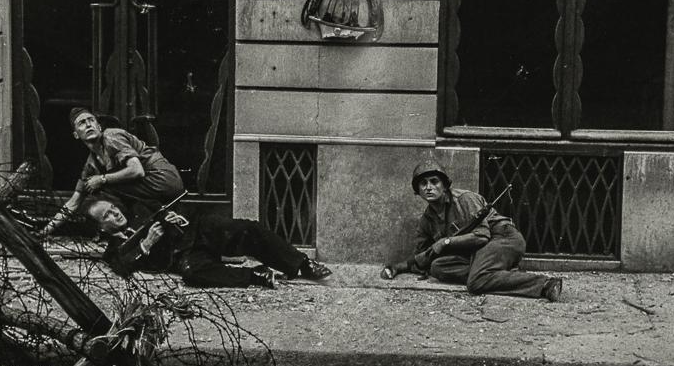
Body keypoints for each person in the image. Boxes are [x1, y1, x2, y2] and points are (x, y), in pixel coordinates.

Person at [381, 161, 563, 302]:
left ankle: (545, 285)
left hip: (502, 238)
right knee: (438, 267)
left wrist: (446, 242)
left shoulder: (464, 199)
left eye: (434, 182)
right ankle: (500, 273)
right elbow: (423, 255)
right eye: (423, 184)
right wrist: (397, 267)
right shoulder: (427, 220)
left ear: (444, 186)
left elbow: (482, 236)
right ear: (418, 191)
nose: (428, 187)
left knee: (476, 283)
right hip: (476, 253)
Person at [85, 197, 333, 290]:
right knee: (192, 273)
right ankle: (256, 275)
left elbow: (177, 207)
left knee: (247, 229)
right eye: (107, 215)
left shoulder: (140, 209)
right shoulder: (113, 250)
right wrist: (146, 244)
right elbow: (124, 266)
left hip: (198, 229)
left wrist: (177, 218)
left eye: (113, 208)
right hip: (183, 255)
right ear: (101, 227)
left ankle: (302, 265)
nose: (115, 213)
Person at [40, 107, 185, 237]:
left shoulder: (111, 136)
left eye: (91, 120)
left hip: (164, 178)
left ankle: (129, 228)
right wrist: (44, 232)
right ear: (76, 135)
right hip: (153, 188)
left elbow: (137, 170)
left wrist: (102, 179)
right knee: (91, 185)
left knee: (103, 185)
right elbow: (73, 202)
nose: (88, 124)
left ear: (99, 127)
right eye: (82, 123)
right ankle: (139, 228)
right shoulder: (92, 163)